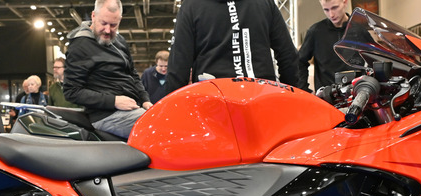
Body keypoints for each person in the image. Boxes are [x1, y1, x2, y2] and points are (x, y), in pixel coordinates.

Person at [164, 0, 298, 94]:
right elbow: (288, 55)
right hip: (261, 95)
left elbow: (179, 65)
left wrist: (170, 110)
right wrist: (295, 95)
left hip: (213, 99)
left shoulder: (192, 6)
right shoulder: (264, 3)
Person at [63, 0, 151, 138]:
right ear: (93, 16)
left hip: (132, 108)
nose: (108, 30)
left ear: (120, 20)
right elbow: (71, 91)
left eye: (113, 25)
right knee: (161, 128)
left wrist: (145, 99)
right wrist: (114, 101)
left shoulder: (119, 40)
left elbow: (132, 74)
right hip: (107, 115)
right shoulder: (80, 45)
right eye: (103, 23)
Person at [297, 0, 356, 92]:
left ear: (345, 2)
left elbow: (370, 62)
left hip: (356, 96)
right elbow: (300, 61)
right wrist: (303, 90)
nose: (331, 14)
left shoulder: (359, 30)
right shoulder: (315, 32)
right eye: (326, 10)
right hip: (327, 98)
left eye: (335, 8)